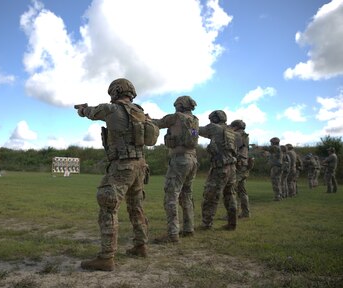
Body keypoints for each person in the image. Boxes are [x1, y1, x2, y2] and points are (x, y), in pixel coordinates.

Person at [76, 78, 151, 271]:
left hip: (122, 166)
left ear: (115, 92)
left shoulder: (111, 109)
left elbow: (90, 113)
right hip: (140, 165)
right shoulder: (140, 112)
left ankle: (106, 257)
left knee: (108, 206)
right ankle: (140, 246)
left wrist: (83, 109)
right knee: (136, 206)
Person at [151, 96, 199, 243]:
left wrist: (146, 119)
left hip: (179, 160)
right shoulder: (195, 120)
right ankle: (189, 229)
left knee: (171, 195)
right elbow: (193, 138)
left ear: (179, 105)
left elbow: (157, 123)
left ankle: (173, 234)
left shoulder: (175, 117)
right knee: (186, 195)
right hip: (192, 160)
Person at [198, 110, 238, 230]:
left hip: (220, 167)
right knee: (230, 195)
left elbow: (197, 131)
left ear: (215, 119)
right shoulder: (231, 131)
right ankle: (232, 223)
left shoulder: (213, 128)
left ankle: (207, 224)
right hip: (232, 167)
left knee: (210, 196)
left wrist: (191, 129)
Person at [230, 119, 251, 218]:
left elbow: (232, 149)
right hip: (244, 164)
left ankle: (232, 214)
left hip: (238, 164)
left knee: (232, 189)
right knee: (242, 190)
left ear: (236, 127)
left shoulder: (237, 135)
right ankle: (245, 212)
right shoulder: (245, 136)